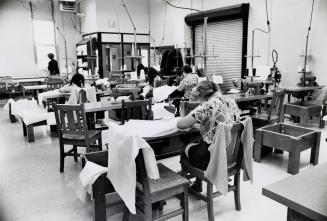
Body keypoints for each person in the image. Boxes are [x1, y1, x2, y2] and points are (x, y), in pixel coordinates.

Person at [177, 80, 241, 192]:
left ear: (200, 94)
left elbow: (181, 124)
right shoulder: (230, 101)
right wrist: (201, 125)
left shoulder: (208, 106)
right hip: (229, 156)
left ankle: (185, 186)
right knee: (200, 142)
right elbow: (222, 124)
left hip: (212, 160)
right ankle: (197, 184)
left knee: (186, 146)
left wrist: (200, 106)